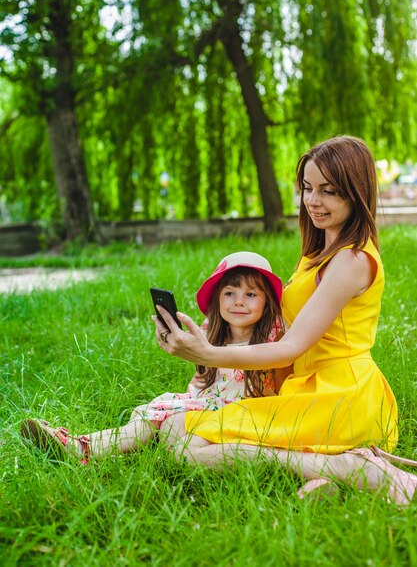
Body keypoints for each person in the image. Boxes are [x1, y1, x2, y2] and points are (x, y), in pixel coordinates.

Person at [153, 135, 417, 506]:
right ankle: (328, 469)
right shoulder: (323, 252)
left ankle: (350, 468)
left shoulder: (352, 260)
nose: (312, 200)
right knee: (178, 433)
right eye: (307, 188)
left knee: (183, 441)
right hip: (307, 387)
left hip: (341, 395)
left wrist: (209, 353)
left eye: (328, 190)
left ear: (355, 193)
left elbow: (290, 347)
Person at [21, 251, 286, 463]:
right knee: (155, 419)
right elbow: (203, 377)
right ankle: (80, 446)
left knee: (163, 424)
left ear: (267, 302)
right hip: (208, 404)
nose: (239, 301)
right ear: (217, 299)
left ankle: (84, 449)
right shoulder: (209, 332)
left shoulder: (273, 334)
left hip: (245, 413)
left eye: (251, 294)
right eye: (230, 293)